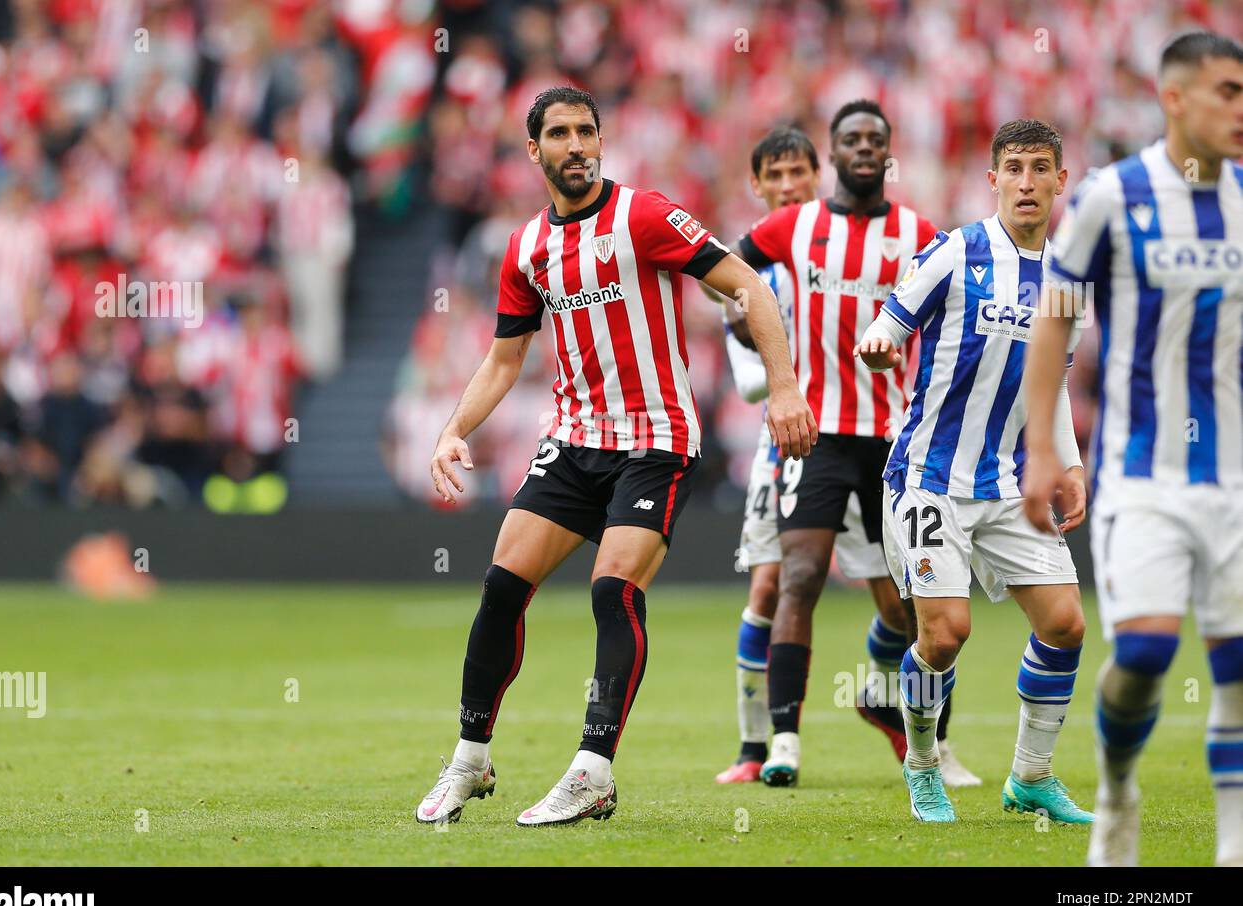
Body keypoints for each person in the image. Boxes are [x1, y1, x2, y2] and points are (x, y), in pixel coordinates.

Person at [415, 86, 814, 826]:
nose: (576, 145)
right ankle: (470, 758)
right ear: (534, 151)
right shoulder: (526, 246)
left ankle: (592, 770)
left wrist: (785, 387)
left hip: (654, 439)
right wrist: (452, 429)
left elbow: (750, 286)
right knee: (502, 587)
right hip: (573, 441)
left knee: (612, 591)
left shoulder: (647, 216)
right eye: (560, 134)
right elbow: (505, 361)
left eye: (587, 131)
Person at [1021, 32, 1243, 865]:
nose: (1241, 108)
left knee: (1235, 666)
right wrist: (1046, 447)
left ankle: (1232, 848)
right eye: (1227, 90)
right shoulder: (1114, 197)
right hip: (1143, 475)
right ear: (1176, 98)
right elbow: (1055, 317)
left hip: (1235, 474)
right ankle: (1116, 785)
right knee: (1145, 653)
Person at [715, 124, 979, 786]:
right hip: (808, 434)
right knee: (787, 579)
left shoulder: (917, 230)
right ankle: (772, 744)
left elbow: (964, 293)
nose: (862, 150)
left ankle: (910, 723)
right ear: (837, 154)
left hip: (893, 438)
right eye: (850, 140)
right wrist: (740, 322)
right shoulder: (788, 232)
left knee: (913, 600)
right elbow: (717, 273)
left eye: (874, 140)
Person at [857, 119, 1092, 824]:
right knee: (945, 632)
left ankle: (1031, 777)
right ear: (993, 180)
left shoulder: (1066, 282)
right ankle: (923, 763)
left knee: (1066, 624)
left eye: (1039, 168)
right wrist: (877, 345)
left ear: (1059, 180)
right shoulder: (954, 252)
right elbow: (888, 327)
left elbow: (1049, 392)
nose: (1026, 181)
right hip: (928, 478)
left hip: (1007, 487)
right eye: (1013, 168)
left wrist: (1070, 467)